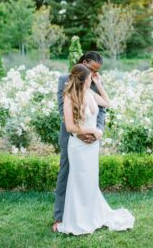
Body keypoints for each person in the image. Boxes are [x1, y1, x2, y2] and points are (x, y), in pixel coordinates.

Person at [55, 63, 135, 235]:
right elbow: (70, 127)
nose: (93, 77)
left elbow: (107, 103)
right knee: (79, 181)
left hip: (92, 148)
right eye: (91, 76)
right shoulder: (69, 97)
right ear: (85, 79)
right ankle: (78, 219)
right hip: (78, 147)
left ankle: (92, 215)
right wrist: (93, 131)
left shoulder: (90, 92)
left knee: (91, 181)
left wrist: (99, 84)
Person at [53, 51, 106, 232]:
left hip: (91, 139)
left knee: (88, 177)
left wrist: (97, 132)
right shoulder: (64, 80)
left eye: (96, 71)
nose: (93, 74)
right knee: (65, 174)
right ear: (84, 62)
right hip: (72, 137)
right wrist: (80, 132)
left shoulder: (95, 81)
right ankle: (60, 216)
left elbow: (103, 110)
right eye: (91, 69)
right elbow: (63, 110)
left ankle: (87, 214)